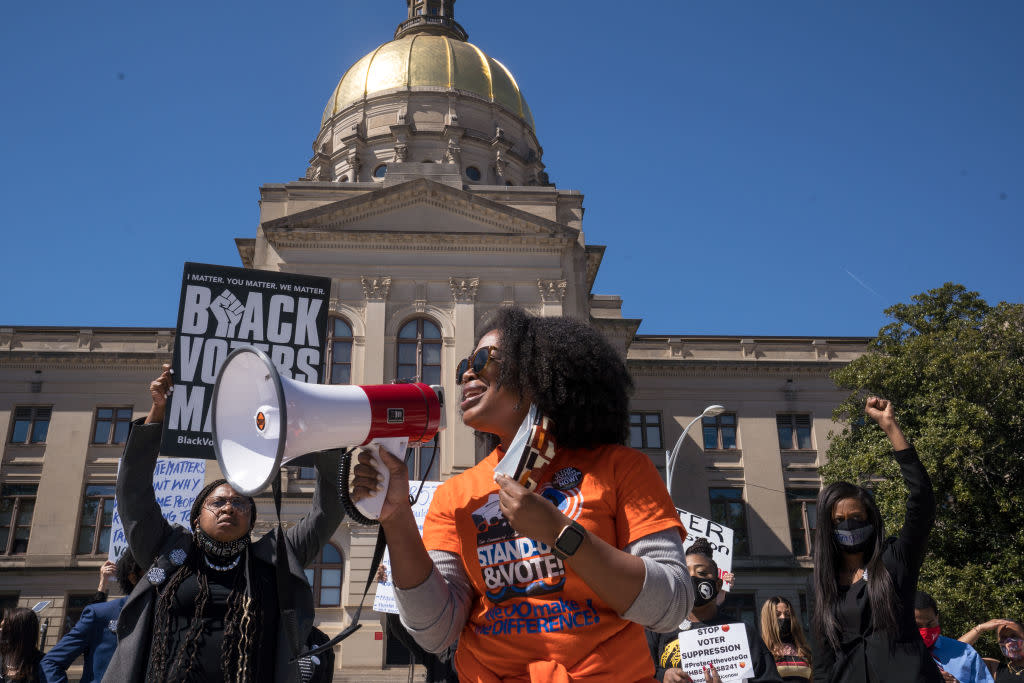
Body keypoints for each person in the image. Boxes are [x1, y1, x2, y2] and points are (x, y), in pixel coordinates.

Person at [353, 307, 693, 681]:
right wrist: (397, 517)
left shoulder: (622, 468)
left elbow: (672, 602)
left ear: (535, 374)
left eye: (483, 360)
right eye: (464, 364)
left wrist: (560, 534)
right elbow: (437, 631)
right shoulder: (456, 495)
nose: (467, 371)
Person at [102, 364, 344, 682]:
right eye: (217, 502)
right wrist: (158, 413)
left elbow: (324, 515)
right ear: (197, 516)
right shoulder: (166, 552)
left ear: (251, 518)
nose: (229, 507)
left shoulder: (276, 561)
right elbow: (133, 494)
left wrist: (325, 435)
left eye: (240, 502)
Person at [811, 397, 942, 683]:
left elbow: (922, 501)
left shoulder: (895, 559)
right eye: (838, 521)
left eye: (857, 518)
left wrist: (890, 427)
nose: (849, 526)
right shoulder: (825, 583)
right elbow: (822, 666)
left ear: (871, 520)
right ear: (827, 528)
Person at [648, 538, 782, 683]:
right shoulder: (658, 629)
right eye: (686, 574)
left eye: (702, 573)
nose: (692, 578)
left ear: (718, 585)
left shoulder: (743, 633)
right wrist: (663, 676)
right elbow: (640, 673)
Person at [40, 551, 142, 683]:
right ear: (133, 577)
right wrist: (102, 584)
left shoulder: (169, 617)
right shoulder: (100, 614)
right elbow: (51, 662)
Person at [913, 591, 993, 683]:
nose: (925, 630)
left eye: (930, 624)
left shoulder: (965, 653)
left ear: (937, 618)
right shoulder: (894, 655)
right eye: (917, 626)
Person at [761, 596, 812, 682]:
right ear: (769, 619)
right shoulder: (763, 652)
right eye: (777, 614)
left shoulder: (803, 650)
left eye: (787, 614)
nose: (783, 618)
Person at [959, 619, 1024, 681]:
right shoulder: (995, 668)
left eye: (1014, 636)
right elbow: (956, 652)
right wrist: (980, 628)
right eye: (1003, 638)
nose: (1009, 642)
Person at [0, 607, 43, 682]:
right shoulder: (2, 656)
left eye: (5, 627)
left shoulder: (42, 664)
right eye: (1, 627)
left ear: (19, 632)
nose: (1, 630)